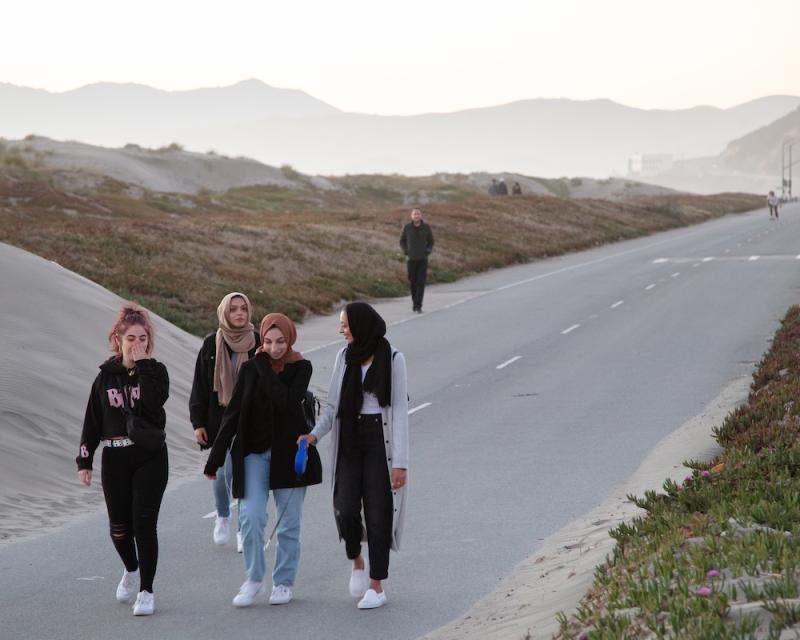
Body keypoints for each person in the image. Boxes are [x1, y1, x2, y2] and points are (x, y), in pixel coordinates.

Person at [204, 313, 321, 607]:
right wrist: (214, 459)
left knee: (289, 524)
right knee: (251, 516)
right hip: (254, 454)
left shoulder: (301, 367)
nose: (274, 348)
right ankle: (254, 579)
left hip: (290, 456)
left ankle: (283, 582)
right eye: (267, 342)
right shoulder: (251, 369)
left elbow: (285, 401)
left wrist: (262, 366)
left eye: (280, 342)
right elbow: (232, 415)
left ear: (290, 339)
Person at [298, 302, 408, 610]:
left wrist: (400, 463)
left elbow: (399, 412)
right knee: (344, 507)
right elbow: (332, 407)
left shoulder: (394, 359)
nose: (341, 329)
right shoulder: (344, 357)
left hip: (379, 440)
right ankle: (356, 559)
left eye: (345, 324)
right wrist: (313, 435)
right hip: (349, 439)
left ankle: (376, 584)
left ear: (361, 325)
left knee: (378, 512)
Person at [76, 302, 169, 616]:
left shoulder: (156, 372)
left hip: (149, 457)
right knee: (118, 528)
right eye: (130, 338)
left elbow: (154, 406)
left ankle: (147, 589)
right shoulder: (104, 378)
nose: (137, 344)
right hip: (114, 458)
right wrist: (84, 460)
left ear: (148, 341)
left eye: (142, 338)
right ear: (118, 340)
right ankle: (130, 569)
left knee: (144, 524)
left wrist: (142, 367)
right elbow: (92, 421)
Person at [190, 292, 260, 551]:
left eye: (243, 308)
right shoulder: (212, 344)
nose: (239, 313)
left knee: (239, 475)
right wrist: (198, 423)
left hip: (250, 421)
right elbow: (199, 386)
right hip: (219, 419)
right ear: (224, 313)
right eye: (233, 309)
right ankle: (223, 515)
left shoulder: (258, 342)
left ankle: (243, 528)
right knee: (220, 475)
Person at [399, 208, 434, 313]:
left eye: (418, 214)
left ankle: (418, 305)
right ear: (411, 216)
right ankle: (415, 301)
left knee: (420, 282)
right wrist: (406, 252)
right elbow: (402, 241)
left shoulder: (426, 227)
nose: (416, 215)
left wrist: (428, 251)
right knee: (413, 282)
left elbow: (431, 241)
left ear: (421, 216)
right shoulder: (407, 227)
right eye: (414, 214)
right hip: (411, 259)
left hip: (422, 259)